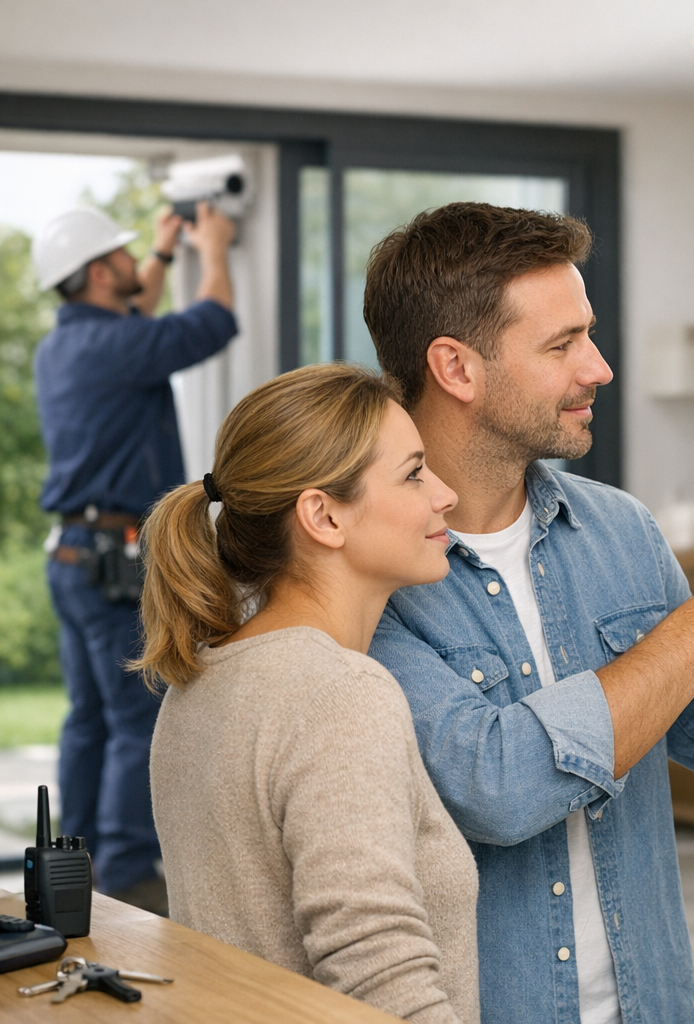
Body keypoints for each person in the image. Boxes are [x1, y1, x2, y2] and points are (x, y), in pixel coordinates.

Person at [363, 203, 694, 1024]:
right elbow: (497, 789)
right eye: (561, 345)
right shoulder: (369, 571)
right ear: (455, 367)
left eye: (588, 336)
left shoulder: (620, 529)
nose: (598, 368)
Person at [137, 363, 479, 1024]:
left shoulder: (200, 684)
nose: (446, 495)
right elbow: (380, 974)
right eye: (413, 474)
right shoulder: (340, 693)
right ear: (323, 516)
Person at [31, 201, 238, 913]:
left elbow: (135, 310)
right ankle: (124, 874)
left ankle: (74, 861)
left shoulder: (66, 346)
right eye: (121, 254)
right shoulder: (114, 346)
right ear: (97, 272)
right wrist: (214, 248)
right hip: (110, 562)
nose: (133, 262)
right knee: (132, 715)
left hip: (74, 556)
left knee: (88, 717)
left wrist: (163, 249)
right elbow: (212, 322)